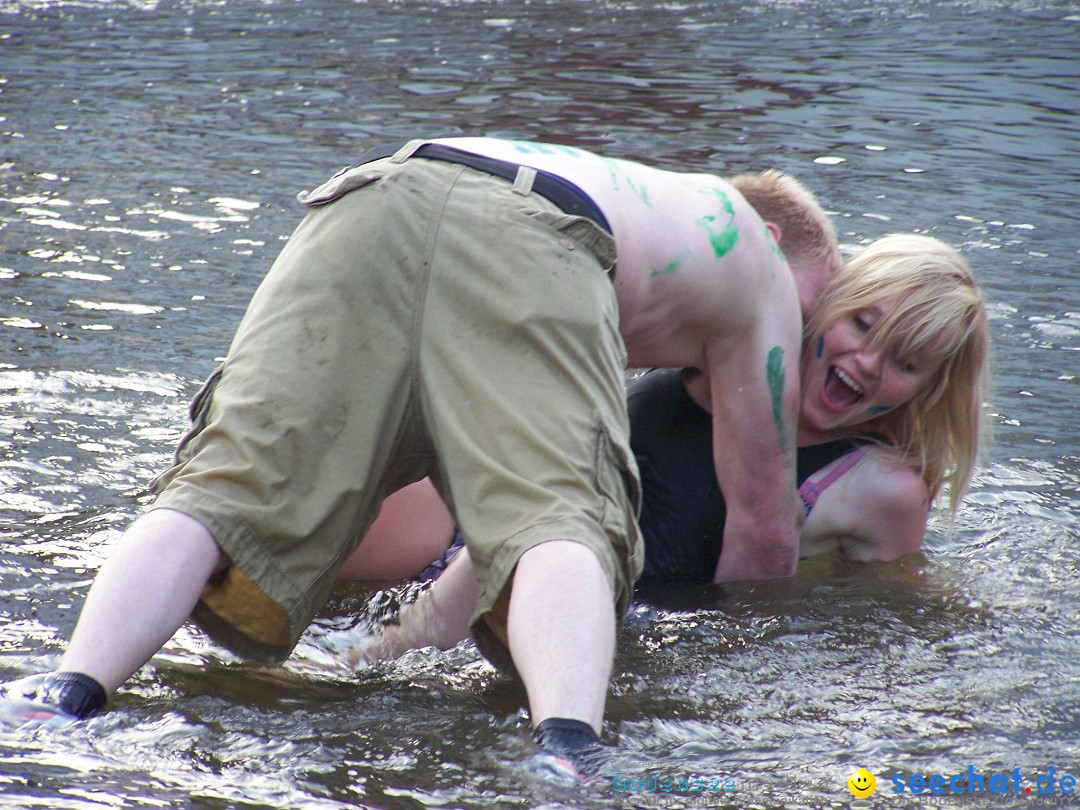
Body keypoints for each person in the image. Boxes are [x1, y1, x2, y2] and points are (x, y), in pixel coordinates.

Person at [1, 137, 840, 776]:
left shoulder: (644, 199)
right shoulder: (758, 263)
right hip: (530, 234)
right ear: (772, 236)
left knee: (225, 484)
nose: (801, 346)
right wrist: (739, 661)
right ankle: (568, 753)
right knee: (564, 512)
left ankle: (67, 689)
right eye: (811, 319)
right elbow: (764, 531)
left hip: (371, 196)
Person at [331, 233, 990, 667]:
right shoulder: (737, 343)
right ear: (828, 303)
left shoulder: (881, 486)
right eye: (862, 323)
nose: (867, 362)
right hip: (492, 528)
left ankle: (350, 664)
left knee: (437, 627)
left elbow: (882, 609)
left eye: (904, 362)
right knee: (387, 456)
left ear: (927, 391)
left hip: (606, 606)